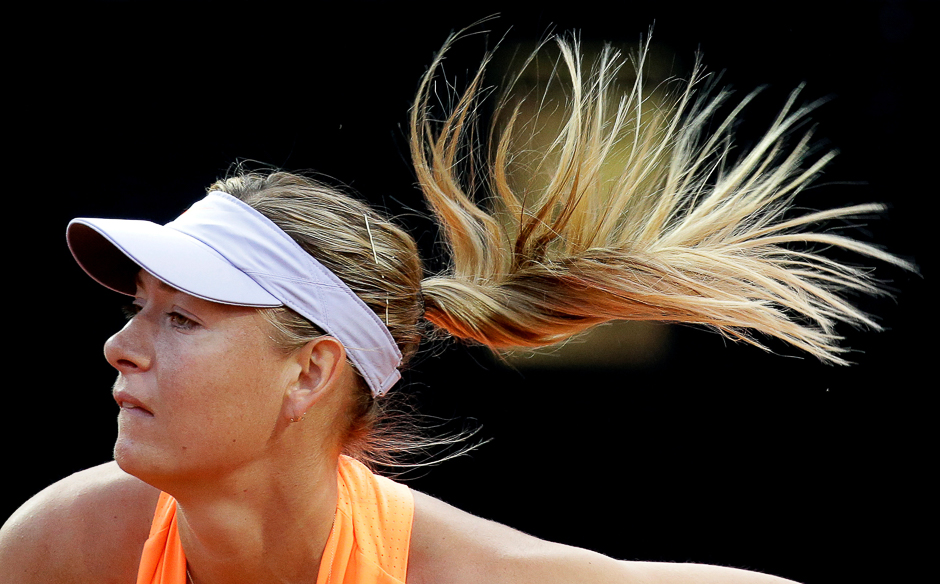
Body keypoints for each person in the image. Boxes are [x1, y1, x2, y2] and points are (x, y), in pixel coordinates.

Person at [0, 33, 914, 584]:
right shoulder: (64, 547)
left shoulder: (457, 571)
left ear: (310, 371)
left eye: (180, 318)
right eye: (139, 308)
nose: (121, 347)